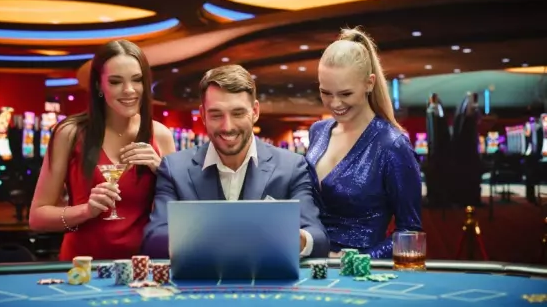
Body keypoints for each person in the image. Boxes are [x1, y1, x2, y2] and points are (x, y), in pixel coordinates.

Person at [142, 64, 329, 259]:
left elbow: (318, 239)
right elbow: (153, 239)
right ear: (203, 115)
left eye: (238, 113)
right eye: (216, 115)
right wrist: (231, 236)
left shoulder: (292, 167)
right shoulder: (174, 168)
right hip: (197, 286)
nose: (227, 126)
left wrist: (295, 238)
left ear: (255, 111)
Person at [29, 39, 176, 260]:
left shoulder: (161, 135)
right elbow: (37, 218)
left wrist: (162, 171)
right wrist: (86, 211)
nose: (129, 90)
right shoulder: (70, 134)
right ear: (99, 85)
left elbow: (178, 217)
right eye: (116, 82)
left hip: (143, 268)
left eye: (137, 80)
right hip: (83, 269)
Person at [306, 27, 423, 259]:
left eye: (346, 94)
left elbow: (411, 234)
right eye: (325, 92)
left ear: (369, 83)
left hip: (358, 277)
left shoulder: (392, 145)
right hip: (310, 264)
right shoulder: (317, 132)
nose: (334, 103)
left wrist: (359, 260)